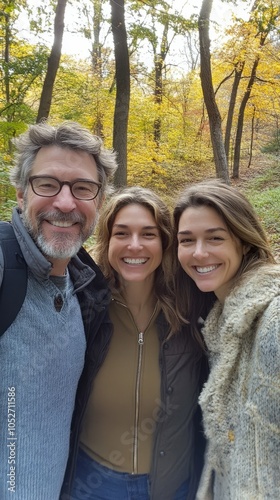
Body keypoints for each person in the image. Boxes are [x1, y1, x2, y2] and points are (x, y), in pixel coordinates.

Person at [0, 121, 118, 500]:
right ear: (20, 194)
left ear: (99, 202)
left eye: (83, 188)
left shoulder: (87, 290)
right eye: (47, 184)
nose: (65, 203)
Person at [68, 186, 208, 500]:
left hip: (171, 485)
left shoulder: (193, 308)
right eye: (122, 233)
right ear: (107, 240)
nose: (134, 245)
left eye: (148, 234)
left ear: (164, 242)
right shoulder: (85, 306)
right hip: (91, 484)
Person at [173, 178, 280, 499]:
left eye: (215, 238)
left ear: (244, 241)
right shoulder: (221, 321)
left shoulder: (272, 315)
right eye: (186, 240)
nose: (199, 253)